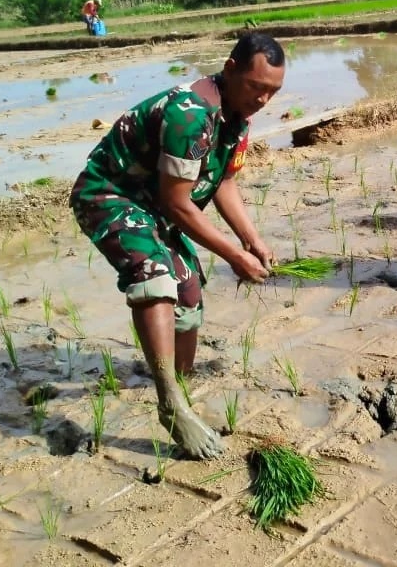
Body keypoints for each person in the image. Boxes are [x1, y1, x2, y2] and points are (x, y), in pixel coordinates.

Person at [70, 32, 283, 460]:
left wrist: (252, 239)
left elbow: (222, 180)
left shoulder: (237, 114)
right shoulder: (191, 115)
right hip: (110, 196)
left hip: (155, 205)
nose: (263, 99)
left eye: (272, 91)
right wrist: (233, 256)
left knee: (188, 296)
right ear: (230, 69)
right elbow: (178, 203)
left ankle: (177, 385)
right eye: (256, 87)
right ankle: (170, 403)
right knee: (155, 279)